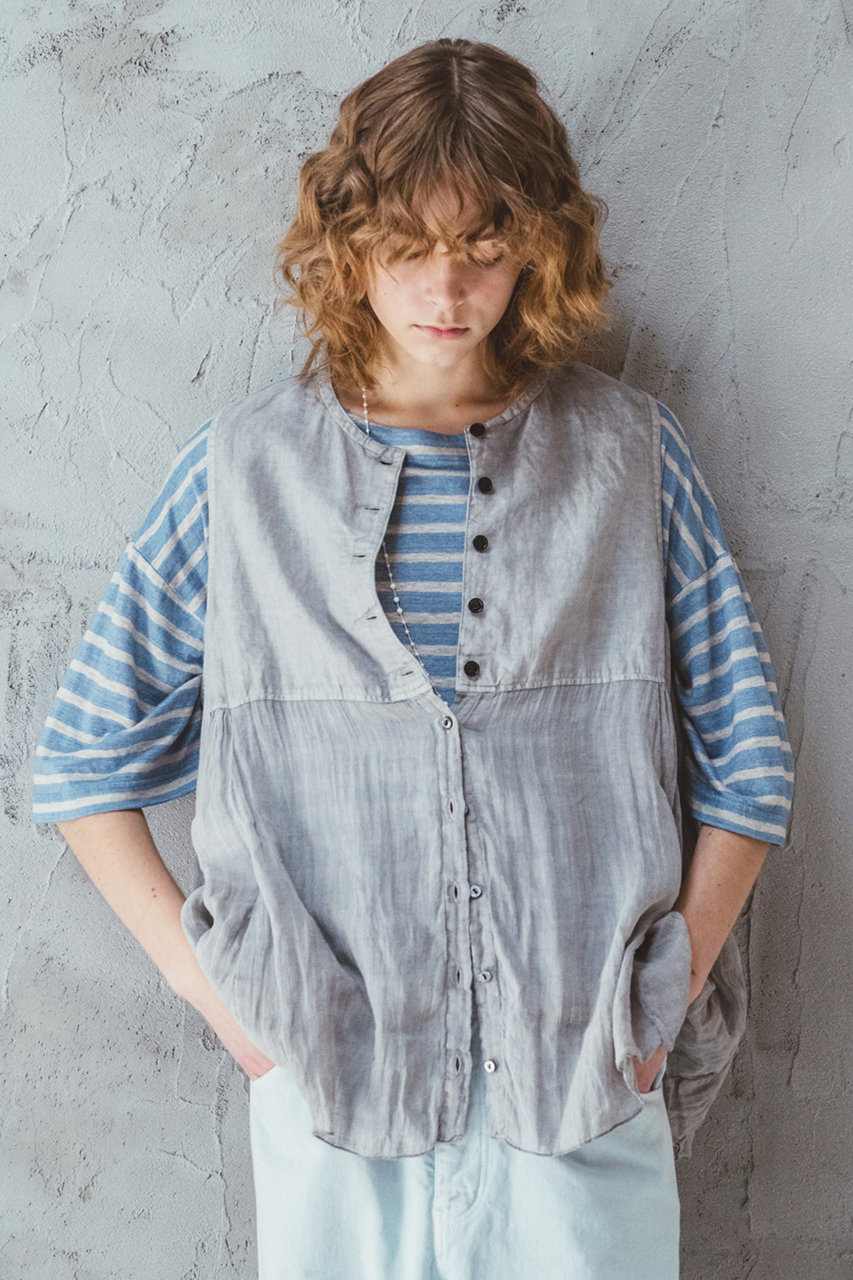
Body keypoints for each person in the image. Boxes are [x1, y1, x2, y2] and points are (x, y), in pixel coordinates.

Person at [31, 37, 794, 1280]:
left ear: (537, 242)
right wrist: (228, 1008)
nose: (448, 284)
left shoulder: (631, 458)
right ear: (348, 239)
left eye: (486, 242)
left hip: (582, 1076)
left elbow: (749, 764)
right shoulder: (240, 474)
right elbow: (80, 767)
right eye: (408, 242)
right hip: (332, 1086)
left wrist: (668, 988)